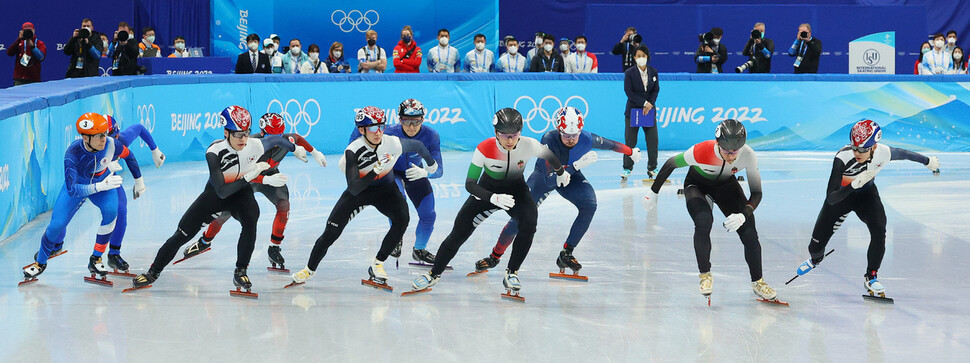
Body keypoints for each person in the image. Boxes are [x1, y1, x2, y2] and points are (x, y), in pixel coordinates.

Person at [128, 106, 299, 295]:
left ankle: (240, 271)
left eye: (246, 133)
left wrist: (295, 149)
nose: (243, 139)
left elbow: (276, 139)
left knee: (251, 220)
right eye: (238, 135)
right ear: (226, 132)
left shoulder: (255, 144)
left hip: (241, 195)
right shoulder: (214, 151)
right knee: (182, 234)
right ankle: (153, 273)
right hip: (216, 195)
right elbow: (222, 191)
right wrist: (252, 176)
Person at [408, 108, 569, 298]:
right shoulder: (485, 148)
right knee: (459, 233)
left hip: (516, 191)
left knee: (529, 223)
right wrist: (492, 198)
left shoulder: (529, 145)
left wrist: (561, 172)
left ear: (520, 133)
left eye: (514, 135)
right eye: (505, 135)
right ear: (496, 133)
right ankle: (434, 274)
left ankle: (512, 273)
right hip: (485, 192)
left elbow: (550, 156)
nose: (510, 140)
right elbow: (469, 184)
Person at [473, 107, 639, 276]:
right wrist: (576, 165)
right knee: (520, 219)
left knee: (590, 205)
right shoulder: (549, 140)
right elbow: (551, 179)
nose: (571, 139)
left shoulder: (587, 138)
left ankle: (567, 253)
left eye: (575, 135)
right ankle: (495, 256)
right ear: (559, 130)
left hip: (571, 176)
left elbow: (611, 144)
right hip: (544, 178)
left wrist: (631, 151)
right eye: (566, 135)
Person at [287, 107, 437, 289]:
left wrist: (431, 164)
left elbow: (419, 146)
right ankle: (309, 270)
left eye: (381, 126)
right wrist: (375, 169)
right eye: (372, 128)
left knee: (402, 219)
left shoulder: (393, 143)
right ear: (361, 130)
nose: (378, 132)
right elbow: (354, 187)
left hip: (386, 191)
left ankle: (378, 263)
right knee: (331, 233)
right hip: (359, 192)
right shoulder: (353, 151)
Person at [792, 119, 940, 298]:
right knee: (814, 248)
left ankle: (871, 276)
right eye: (854, 147)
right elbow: (831, 198)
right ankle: (816, 259)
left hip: (866, 195)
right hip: (841, 197)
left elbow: (904, 153)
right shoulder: (842, 157)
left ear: (874, 147)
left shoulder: (883, 152)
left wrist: (928, 161)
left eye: (862, 149)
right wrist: (852, 185)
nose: (857, 152)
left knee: (879, 229)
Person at [641, 119, 780, 304]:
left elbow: (757, 193)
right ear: (717, 144)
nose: (731, 156)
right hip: (697, 186)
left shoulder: (748, 155)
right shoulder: (701, 150)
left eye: (734, 152)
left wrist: (743, 215)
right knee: (703, 221)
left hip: (726, 187)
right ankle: (705, 275)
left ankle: (758, 282)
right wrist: (653, 192)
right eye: (726, 151)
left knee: (749, 234)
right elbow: (670, 164)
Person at [182, 113, 323, 272]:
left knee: (284, 205)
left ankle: (274, 247)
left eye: (279, 136)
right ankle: (205, 241)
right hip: (248, 178)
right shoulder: (249, 145)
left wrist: (314, 152)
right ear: (263, 133)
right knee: (225, 212)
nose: (277, 142)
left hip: (271, 176)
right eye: (272, 136)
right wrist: (264, 180)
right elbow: (240, 174)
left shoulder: (286, 140)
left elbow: (297, 138)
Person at [21, 113, 141, 285]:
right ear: (86, 137)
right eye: (99, 136)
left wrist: (139, 181)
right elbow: (72, 189)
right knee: (57, 224)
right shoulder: (73, 153)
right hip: (85, 187)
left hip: (103, 184)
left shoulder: (111, 144)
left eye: (105, 134)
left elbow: (129, 155)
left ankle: (96, 258)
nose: (103, 139)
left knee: (111, 212)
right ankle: (40, 262)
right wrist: (98, 187)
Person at [347, 99, 444, 264]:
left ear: (423, 119)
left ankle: (419, 250)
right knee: (399, 205)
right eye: (407, 121)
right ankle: (396, 237)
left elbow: (439, 170)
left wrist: (425, 173)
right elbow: (359, 134)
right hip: (392, 173)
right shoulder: (389, 132)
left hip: (416, 174)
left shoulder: (431, 135)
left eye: (416, 121)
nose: (412, 126)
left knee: (429, 215)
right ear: (400, 120)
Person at [99, 115, 164, 274]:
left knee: (121, 211)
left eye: (114, 138)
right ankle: (53, 243)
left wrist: (155, 150)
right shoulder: (87, 145)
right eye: (103, 139)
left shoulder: (121, 140)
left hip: (109, 180)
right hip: (87, 180)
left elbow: (139, 128)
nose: (109, 143)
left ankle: (114, 254)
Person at [621, 45, 659, 180]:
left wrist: (650, 104)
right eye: (639, 56)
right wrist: (644, 103)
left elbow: (655, 90)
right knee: (630, 141)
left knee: (652, 140)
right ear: (634, 57)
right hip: (633, 111)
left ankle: (653, 168)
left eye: (644, 56)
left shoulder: (653, 72)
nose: (641, 58)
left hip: (648, 111)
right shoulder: (629, 73)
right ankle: (627, 168)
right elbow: (629, 92)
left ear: (647, 57)